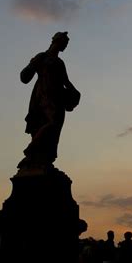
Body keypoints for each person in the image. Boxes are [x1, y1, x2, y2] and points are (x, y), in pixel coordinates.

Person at [18, 31, 80, 171]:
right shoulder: (42, 57)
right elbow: (24, 77)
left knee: (55, 131)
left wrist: (75, 92)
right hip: (43, 96)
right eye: (64, 43)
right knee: (52, 123)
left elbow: (66, 81)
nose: (65, 46)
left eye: (67, 44)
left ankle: (43, 160)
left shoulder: (60, 62)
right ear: (56, 41)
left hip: (57, 98)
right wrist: (31, 65)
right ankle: (31, 150)